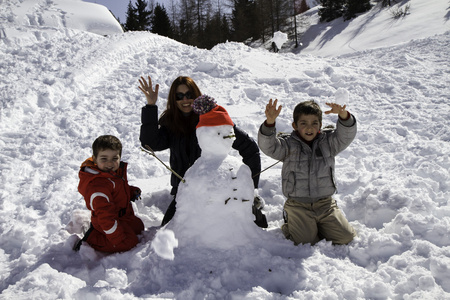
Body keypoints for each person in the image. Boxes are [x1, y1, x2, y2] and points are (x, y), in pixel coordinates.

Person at [139, 76, 267, 227]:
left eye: (189, 94)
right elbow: (150, 143)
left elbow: (250, 148)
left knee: (253, 226)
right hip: (185, 193)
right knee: (169, 231)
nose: (185, 99)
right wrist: (151, 106)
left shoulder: (212, 119)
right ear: (173, 99)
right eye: (179, 96)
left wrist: (249, 187)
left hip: (219, 189)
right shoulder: (170, 123)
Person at [258, 99, 357, 245]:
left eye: (314, 123)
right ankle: (290, 221)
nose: (309, 128)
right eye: (303, 123)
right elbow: (269, 146)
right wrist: (269, 122)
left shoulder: (329, 143)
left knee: (346, 237)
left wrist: (343, 115)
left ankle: (319, 225)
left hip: (325, 204)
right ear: (295, 126)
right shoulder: (288, 145)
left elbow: (346, 135)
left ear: (320, 125)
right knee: (305, 242)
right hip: (298, 204)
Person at [76, 135, 144, 252]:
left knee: (139, 227)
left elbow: (117, 189)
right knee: (129, 243)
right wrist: (117, 237)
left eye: (114, 158)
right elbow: (105, 216)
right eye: (104, 159)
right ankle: (92, 238)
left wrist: (130, 191)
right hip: (106, 222)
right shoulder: (98, 186)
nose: (110, 163)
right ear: (95, 159)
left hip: (122, 216)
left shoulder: (113, 173)